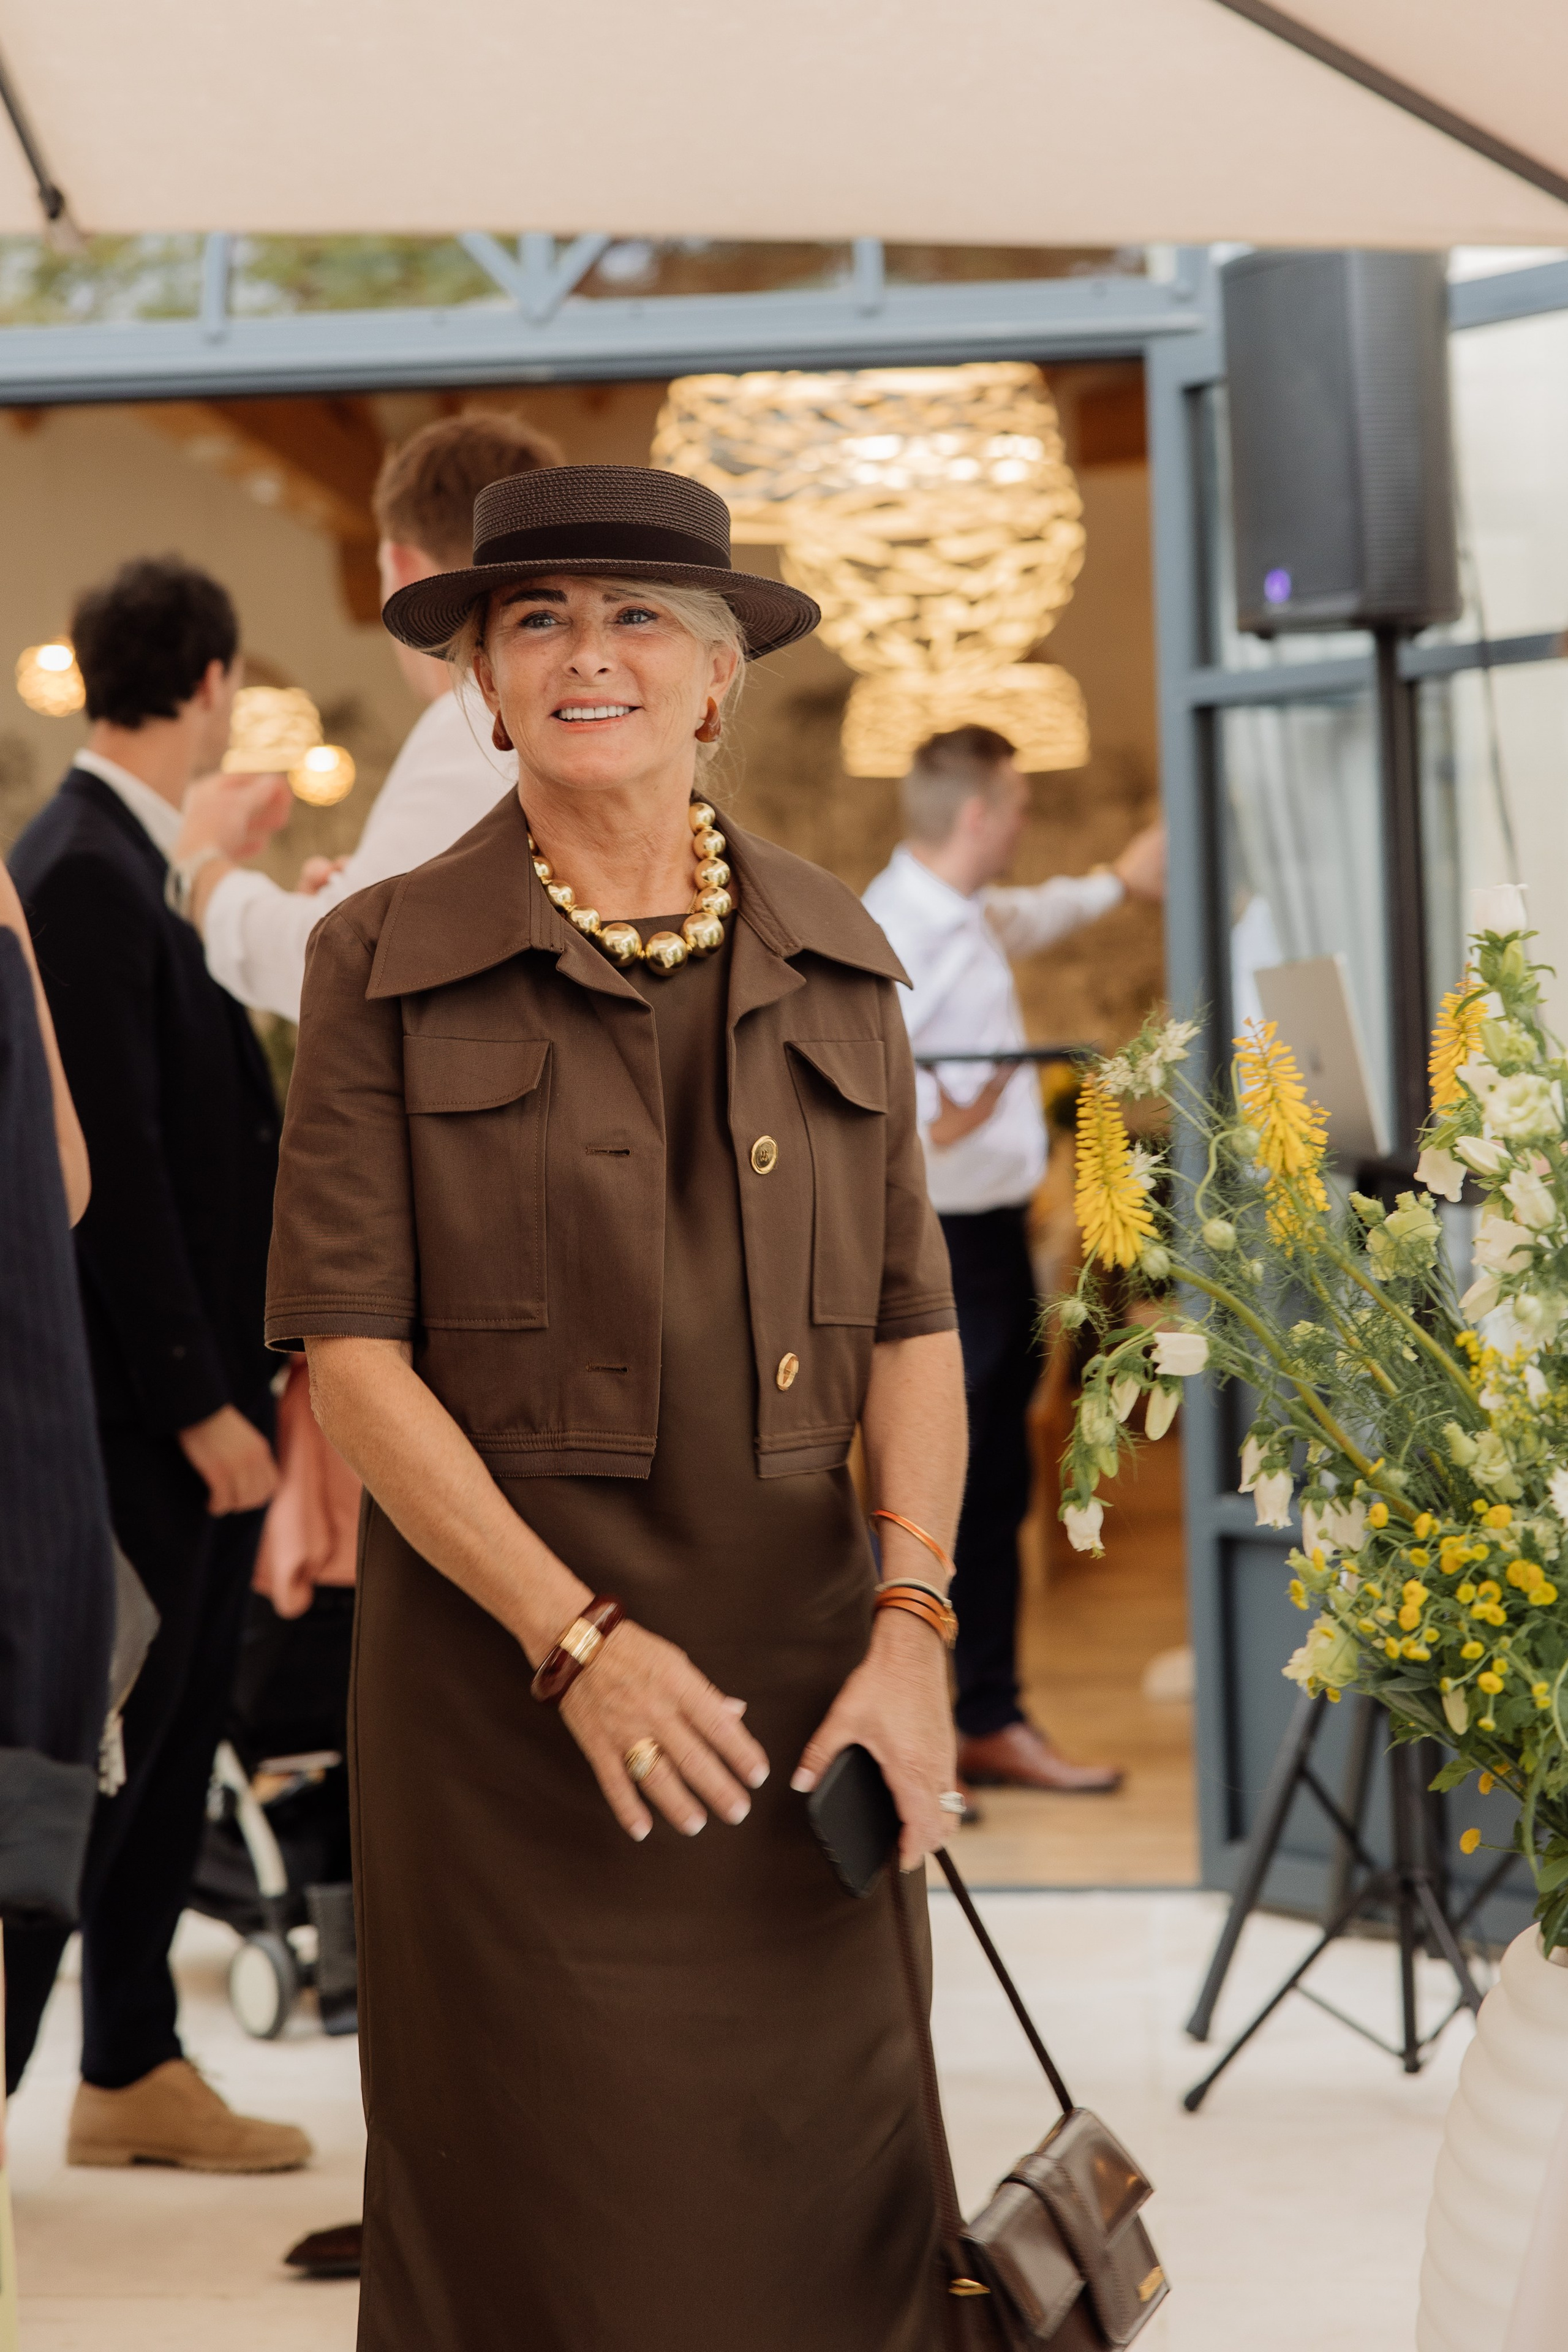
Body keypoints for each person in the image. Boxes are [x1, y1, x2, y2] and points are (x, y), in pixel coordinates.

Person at [266, 463, 968, 2351]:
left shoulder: (844, 957)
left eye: (639, 615)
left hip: (807, 1706)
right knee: (546, 2233)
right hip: (507, 1717)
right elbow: (352, 1351)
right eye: (538, 621)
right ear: (483, 684)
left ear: (719, 676)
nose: (591, 656)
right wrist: (573, 1643)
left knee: (831, 2216)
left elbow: (914, 1322)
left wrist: (913, 1630)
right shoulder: (377, 955)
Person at [5, 559, 311, 2171]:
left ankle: (131, 2064)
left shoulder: (128, 857)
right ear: (212, 683)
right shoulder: (81, 871)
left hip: (179, 1399)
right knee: (100, 1763)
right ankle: (91, 2055)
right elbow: (100, 1162)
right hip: (138, 1412)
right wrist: (201, 1398)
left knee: (173, 1741)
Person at [862, 726, 1166, 1795]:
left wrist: (1124, 883)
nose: (1028, 820)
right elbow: (850, 1089)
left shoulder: (968, 916)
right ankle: (902, 1732)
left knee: (992, 1488)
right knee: (932, 1489)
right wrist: (924, 1122)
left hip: (985, 1241)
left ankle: (985, 1719)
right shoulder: (890, 933)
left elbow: (1036, 912)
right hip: (930, 1248)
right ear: (980, 813)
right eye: (1021, 804)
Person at [167, 410, 564, 1014]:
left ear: (400, 568)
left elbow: (332, 968)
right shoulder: (564, 721)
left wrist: (201, 868)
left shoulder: (477, 726)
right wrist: (354, 900)